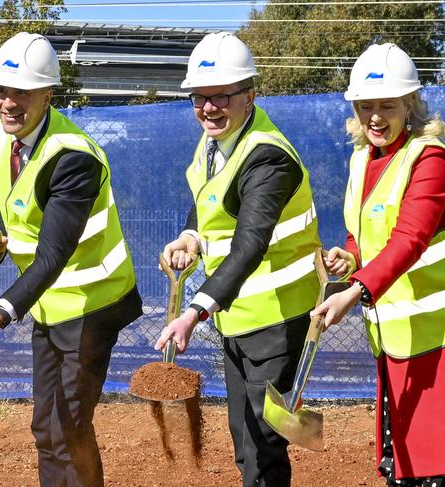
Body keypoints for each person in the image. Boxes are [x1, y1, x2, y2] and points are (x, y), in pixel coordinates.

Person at [311, 43, 445, 486]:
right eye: (366, 106)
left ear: (411, 104)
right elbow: (368, 234)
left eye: (388, 105)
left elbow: (410, 239)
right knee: (408, 466)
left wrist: (356, 290)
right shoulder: (361, 159)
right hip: (402, 340)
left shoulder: (431, 160)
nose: (376, 117)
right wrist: (351, 258)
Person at [0, 32, 142, 487]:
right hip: (47, 304)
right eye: (1, 91)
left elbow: (54, 253)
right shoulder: (0, 141)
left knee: (68, 428)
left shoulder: (73, 158)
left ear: (47, 95)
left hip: (91, 304)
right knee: (47, 426)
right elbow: (13, 198)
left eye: (21, 92)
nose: (7, 102)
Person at [155, 32, 322, 487]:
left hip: (277, 319)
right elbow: (210, 201)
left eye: (221, 96)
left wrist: (194, 311)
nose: (209, 108)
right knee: (244, 438)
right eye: (200, 98)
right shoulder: (216, 143)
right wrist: (190, 235)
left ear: (250, 94)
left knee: (263, 444)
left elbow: (250, 244)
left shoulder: (268, 156)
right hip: (238, 320)